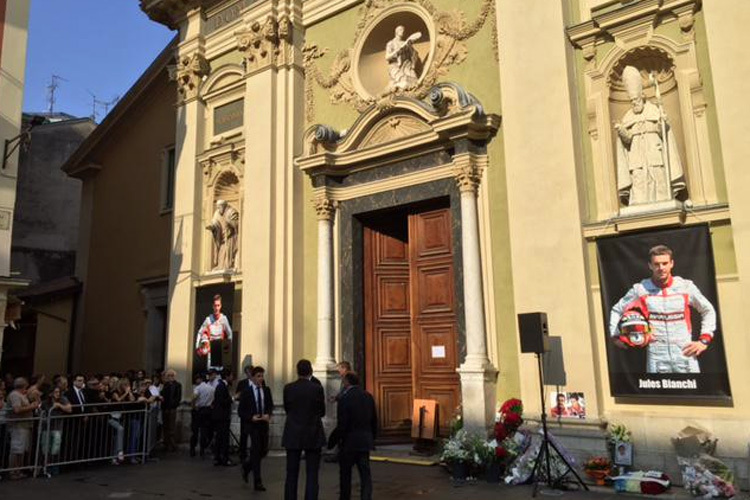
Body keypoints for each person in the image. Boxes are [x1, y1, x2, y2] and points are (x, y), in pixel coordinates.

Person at [609, 244, 716, 374]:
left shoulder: (685, 286)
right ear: (650, 265)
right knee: (659, 394)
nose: (661, 268)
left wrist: (704, 340)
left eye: (665, 263)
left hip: (685, 352)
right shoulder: (641, 289)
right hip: (657, 354)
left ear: (672, 263)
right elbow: (617, 310)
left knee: (693, 394)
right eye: (657, 264)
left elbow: (707, 310)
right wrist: (615, 336)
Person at [614, 65, 686, 206]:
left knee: (658, 175)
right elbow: (627, 140)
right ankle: (640, 203)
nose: (634, 102)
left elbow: (662, 133)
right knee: (639, 179)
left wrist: (661, 123)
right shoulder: (628, 116)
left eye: (636, 99)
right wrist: (621, 130)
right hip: (637, 156)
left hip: (654, 151)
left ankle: (663, 199)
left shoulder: (654, 110)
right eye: (632, 100)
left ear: (642, 96)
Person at [283, 359, 326, 500]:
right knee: (312, 473)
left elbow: (287, 409)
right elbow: (322, 411)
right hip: (312, 432)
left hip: (293, 432)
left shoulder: (288, 388)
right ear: (310, 371)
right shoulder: (317, 389)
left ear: (297, 371)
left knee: (291, 473)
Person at [337, 372, 377, 500]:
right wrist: (372, 438)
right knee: (365, 474)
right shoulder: (368, 396)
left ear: (347, 382)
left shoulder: (344, 398)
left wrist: (336, 440)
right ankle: (366, 497)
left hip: (349, 441)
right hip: (365, 441)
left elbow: (342, 423)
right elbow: (374, 420)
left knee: (345, 474)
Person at [240, 366, 274, 491]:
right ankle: (257, 481)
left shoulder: (266, 390)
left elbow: (270, 406)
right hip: (252, 425)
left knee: (263, 451)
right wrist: (251, 417)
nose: (261, 378)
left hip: (263, 424)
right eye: (258, 376)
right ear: (253, 377)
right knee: (255, 450)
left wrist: (268, 415)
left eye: (262, 376)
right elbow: (241, 411)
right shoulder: (247, 392)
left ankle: (247, 466)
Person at [7, 377, 40, 479]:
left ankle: (18, 470)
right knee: (17, 449)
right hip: (18, 425)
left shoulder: (22, 394)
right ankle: (12, 471)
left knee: (21, 450)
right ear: (24, 385)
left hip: (25, 425)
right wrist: (32, 407)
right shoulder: (15, 395)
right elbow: (17, 409)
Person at [195, 294, 233, 371]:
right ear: (213, 306)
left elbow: (230, 334)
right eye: (215, 305)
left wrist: (227, 348)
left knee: (220, 373)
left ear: (220, 306)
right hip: (210, 348)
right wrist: (197, 346)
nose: (216, 308)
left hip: (220, 348)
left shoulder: (224, 319)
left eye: (218, 305)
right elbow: (200, 333)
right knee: (211, 372)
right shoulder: (208, 319)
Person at [42, 385, 72, 474]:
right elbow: (41, 410)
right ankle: (45, 467)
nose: (57, 394)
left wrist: (59, 405)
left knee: (55, 447)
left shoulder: (63, 399)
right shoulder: (45, 402)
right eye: (55, 392)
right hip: (46, 427)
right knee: (45, 448)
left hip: (57, 427)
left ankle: (54, 467)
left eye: (58, 392)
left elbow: (69, 409)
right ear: (50, 393)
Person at [206, 199, 240, 270]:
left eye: (219, 207)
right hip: (222, 239)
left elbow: (237, 224)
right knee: (221, 253)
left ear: (224, 206)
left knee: (228, 253)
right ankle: (221, 267)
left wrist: (230, 222)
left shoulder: (231, 211)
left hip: (231, 237)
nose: (218, 209)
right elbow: (215, 223)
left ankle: (229, 266)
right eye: (217, 207)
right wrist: (212, 227)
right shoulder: (216, 213)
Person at [385, 25, 422, 90]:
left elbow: (414, 54)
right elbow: (387, 57)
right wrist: (397, 51)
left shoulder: (406, 43)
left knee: (414, 82)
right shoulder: (391, 43)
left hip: (407, 67)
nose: (403, 31)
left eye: (403, 30)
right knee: (402, 81)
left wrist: (413, 65)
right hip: (396, 67)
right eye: (401, 30)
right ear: (396, 32)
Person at [210, 369, 234, 466]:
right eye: (231, 376)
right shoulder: (221, 386)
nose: (232, 378)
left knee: (220, 438)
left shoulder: (222, 386)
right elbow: (222, 401)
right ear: (227, 376)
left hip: (220, 416)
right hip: (222, 417)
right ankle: (223, 458)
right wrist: (232, 398)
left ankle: (219, 457)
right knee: (223, 438)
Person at [191, 372, 214, 458]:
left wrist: (193, 406)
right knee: (204, 431)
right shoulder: (211, 388)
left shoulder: (198, 388)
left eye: (197, 379)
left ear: (200, 379)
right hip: (207, 410)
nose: (196, 381)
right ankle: (202, 450)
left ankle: (193, 449)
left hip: (198, 410)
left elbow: (194, 397)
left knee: (195, 431)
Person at [161, 369, 182, 452]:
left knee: (171, 427)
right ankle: (166, 443)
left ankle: (172, 444)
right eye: (168, 376)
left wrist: (174, 405)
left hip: (172, 408)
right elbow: (162, 394)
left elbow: (178, 397)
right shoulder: (165, 385)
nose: (170, 377)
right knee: (165, 426)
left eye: (171, 376)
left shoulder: (178, 385)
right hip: (165, 408)